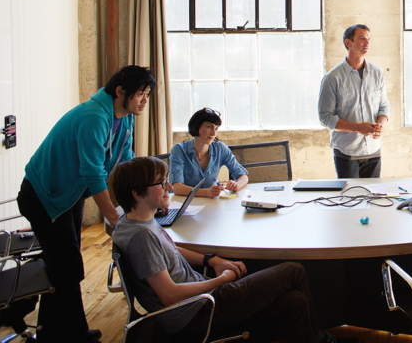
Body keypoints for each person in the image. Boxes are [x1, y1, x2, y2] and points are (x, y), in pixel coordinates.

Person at [110, 157, 325, 342]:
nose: (168, 187)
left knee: (295, 302)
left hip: (199, 303)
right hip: (198, 313)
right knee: (294, 271)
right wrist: (221, 280)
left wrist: (210, 260)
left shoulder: (131, 222)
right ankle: (323, 339)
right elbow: (169, 295)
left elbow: (169, 250)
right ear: (137, 193)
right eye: (161, 183)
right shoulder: (141, 237)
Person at [16, 65, 153, 342]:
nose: (145, 101)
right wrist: (115, 217)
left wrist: (148, 190)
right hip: (44, 196)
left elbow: (125, 161)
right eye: (141, 94)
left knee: (61, 264)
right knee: (67, 266)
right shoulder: (94, 117)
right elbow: (93, 174)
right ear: (120, 91)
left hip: (70, 195)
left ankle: (50, 331)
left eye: (147, 94)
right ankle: (73, 334)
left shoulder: (124, 116)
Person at [318, 23, 390, 178]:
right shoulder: (332, 78)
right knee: (351, 199)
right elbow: (325, 118)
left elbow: (384, 107)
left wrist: (380, 126)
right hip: (346, 152)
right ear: (348, 43)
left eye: (369, 39)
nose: (367, 42)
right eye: (362, 38)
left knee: (373, 198)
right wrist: (358, 128)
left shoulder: (377, 73)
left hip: (373, 150)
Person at [169, 108, 249, 198]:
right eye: (209, 127)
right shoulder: (179, 150)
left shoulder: (220, 148)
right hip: (181, 204)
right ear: (196, 127)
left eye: (216, 128)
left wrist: (236, 185)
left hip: (209, 204)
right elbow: (177, 188)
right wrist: (206, 193)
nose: (214, 133)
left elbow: (243, 176)